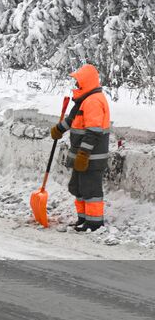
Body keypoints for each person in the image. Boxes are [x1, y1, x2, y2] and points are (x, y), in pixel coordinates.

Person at [50, 64, 112, 233]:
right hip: (82, 156)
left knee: (91, 190)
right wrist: (59, 129)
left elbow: (93, 131)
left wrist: (84, 154)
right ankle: (83, 219)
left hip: (91, 157)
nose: (76, 85)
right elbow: (72, 120)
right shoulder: (83, 100)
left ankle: (94, 223)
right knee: (78, 187)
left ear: (86, 82)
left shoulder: (93, 101)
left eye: (78, 82)